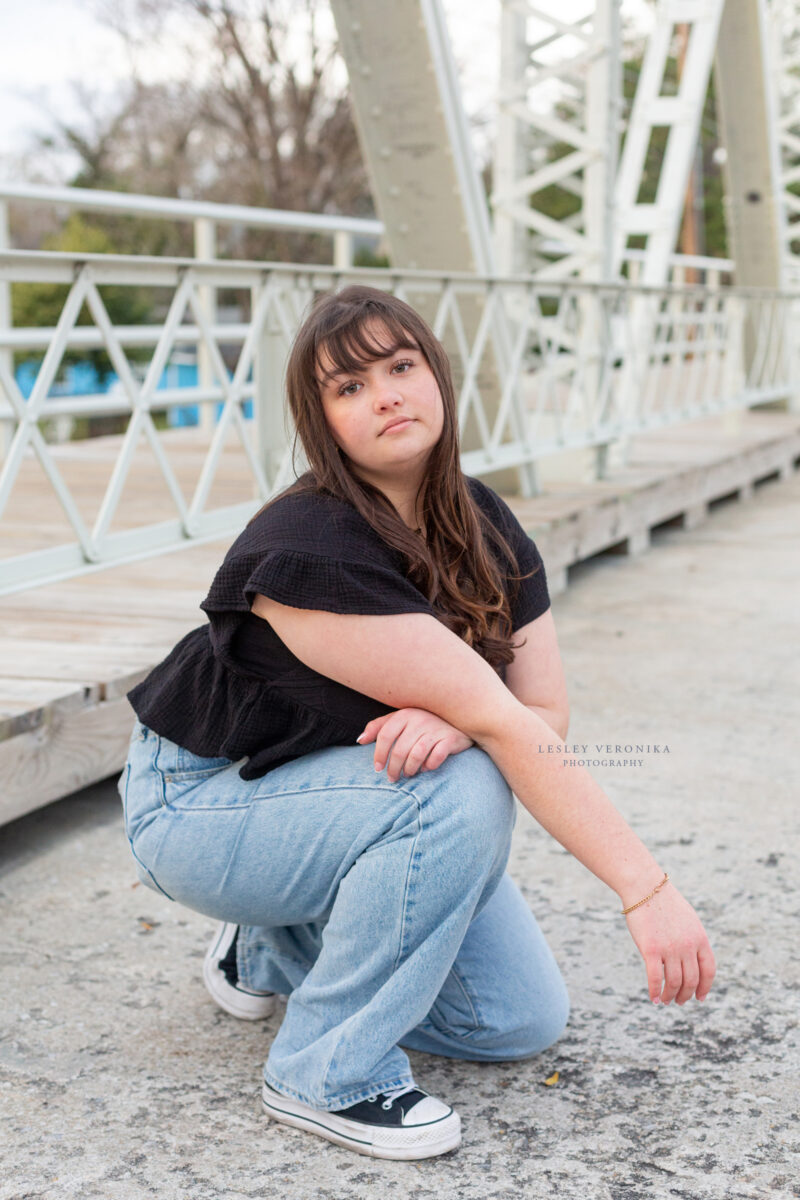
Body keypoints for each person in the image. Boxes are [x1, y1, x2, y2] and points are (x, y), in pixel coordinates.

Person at [118, 284, 715, 1162]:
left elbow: (540, 712)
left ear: (437, 374)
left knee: (515, 1019)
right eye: (350, 387)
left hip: (327, 787)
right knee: (455, 792)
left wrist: (468, 721)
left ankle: (269, 950)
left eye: (401, 367)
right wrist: (646, 891)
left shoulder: (486, 523)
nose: (387, 394)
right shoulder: (307, 546)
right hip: (200, 802)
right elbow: (512, 728)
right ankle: (326, 1072)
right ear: (321, 423)